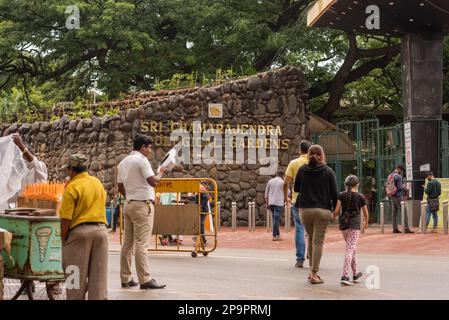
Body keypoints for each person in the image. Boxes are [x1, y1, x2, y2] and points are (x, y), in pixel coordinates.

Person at [118, 135, 167, 290]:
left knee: (127, 244)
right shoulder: (141, 160)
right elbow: (153, 181)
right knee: (141, 243)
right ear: (143, 147)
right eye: (149, 147)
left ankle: (126, 278)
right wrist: (161, 172)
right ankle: (145, 279)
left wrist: (131, 196)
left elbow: (120, 187)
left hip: (129, 204)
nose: (150, 150)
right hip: (142, 206)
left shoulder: (123, 162)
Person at [59, 154, 109, 300]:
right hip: (101, 232)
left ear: (73, 170)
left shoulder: (72, 186)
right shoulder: (97, 183)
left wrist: (64, 239)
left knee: (74, 277)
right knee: (99, 278)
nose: (67, 173)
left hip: (80, 234)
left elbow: (65, 218)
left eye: (68, 170)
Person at [294, 144, 337, 284]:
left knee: (311, 238)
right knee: (318, 241)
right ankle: (313, 273)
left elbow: (296, 188)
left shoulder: (302, 170)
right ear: (322, 155)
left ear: (308, 155)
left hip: (305, 209)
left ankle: (311, 271)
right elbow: (334, 194)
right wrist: (336, 211)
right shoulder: (328, 171)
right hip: (323, 210)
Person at [333, 175, 369, 286]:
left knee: (351, 248)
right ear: (357, 184)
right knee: (350, 249)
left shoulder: (341, 195)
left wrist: (334, 216)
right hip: (354, 226)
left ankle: (355, 273)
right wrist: (366, 222)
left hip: (344, 225)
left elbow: (337, 211)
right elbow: (366, 213)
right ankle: (345, 275)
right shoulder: (360, 196)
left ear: (346, 184)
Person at [284, 140, 311, 268]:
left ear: (300, 150)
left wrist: (286, 197)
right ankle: (312, 253)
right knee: (313, 229)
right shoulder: (315, 162)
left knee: (300, 228)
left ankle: (300, 259)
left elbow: (286, 183)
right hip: (314, 200)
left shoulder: (294, 163)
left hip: (297, 200)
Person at [387, 165, 414, 233]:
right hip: (398, 196)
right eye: (401, 171)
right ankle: (406, 228)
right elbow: (399, 187)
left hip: (392, 195)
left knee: (394, 213)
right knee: (404, 211)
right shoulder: (398, 176)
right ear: (399, 169)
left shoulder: (390, 175)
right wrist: (404, 186)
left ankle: (395, 228)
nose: (401, 172)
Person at [265, 171, 286, 241]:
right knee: (276, 220)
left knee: (275, 219)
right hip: (279, 203)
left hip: (271, 203)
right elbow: (288, 192)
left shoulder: (270, 181)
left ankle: (278, 235)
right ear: (282, 176)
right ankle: (274, 236)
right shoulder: (282, 182)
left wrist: (266, 203)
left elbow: (266, 193)